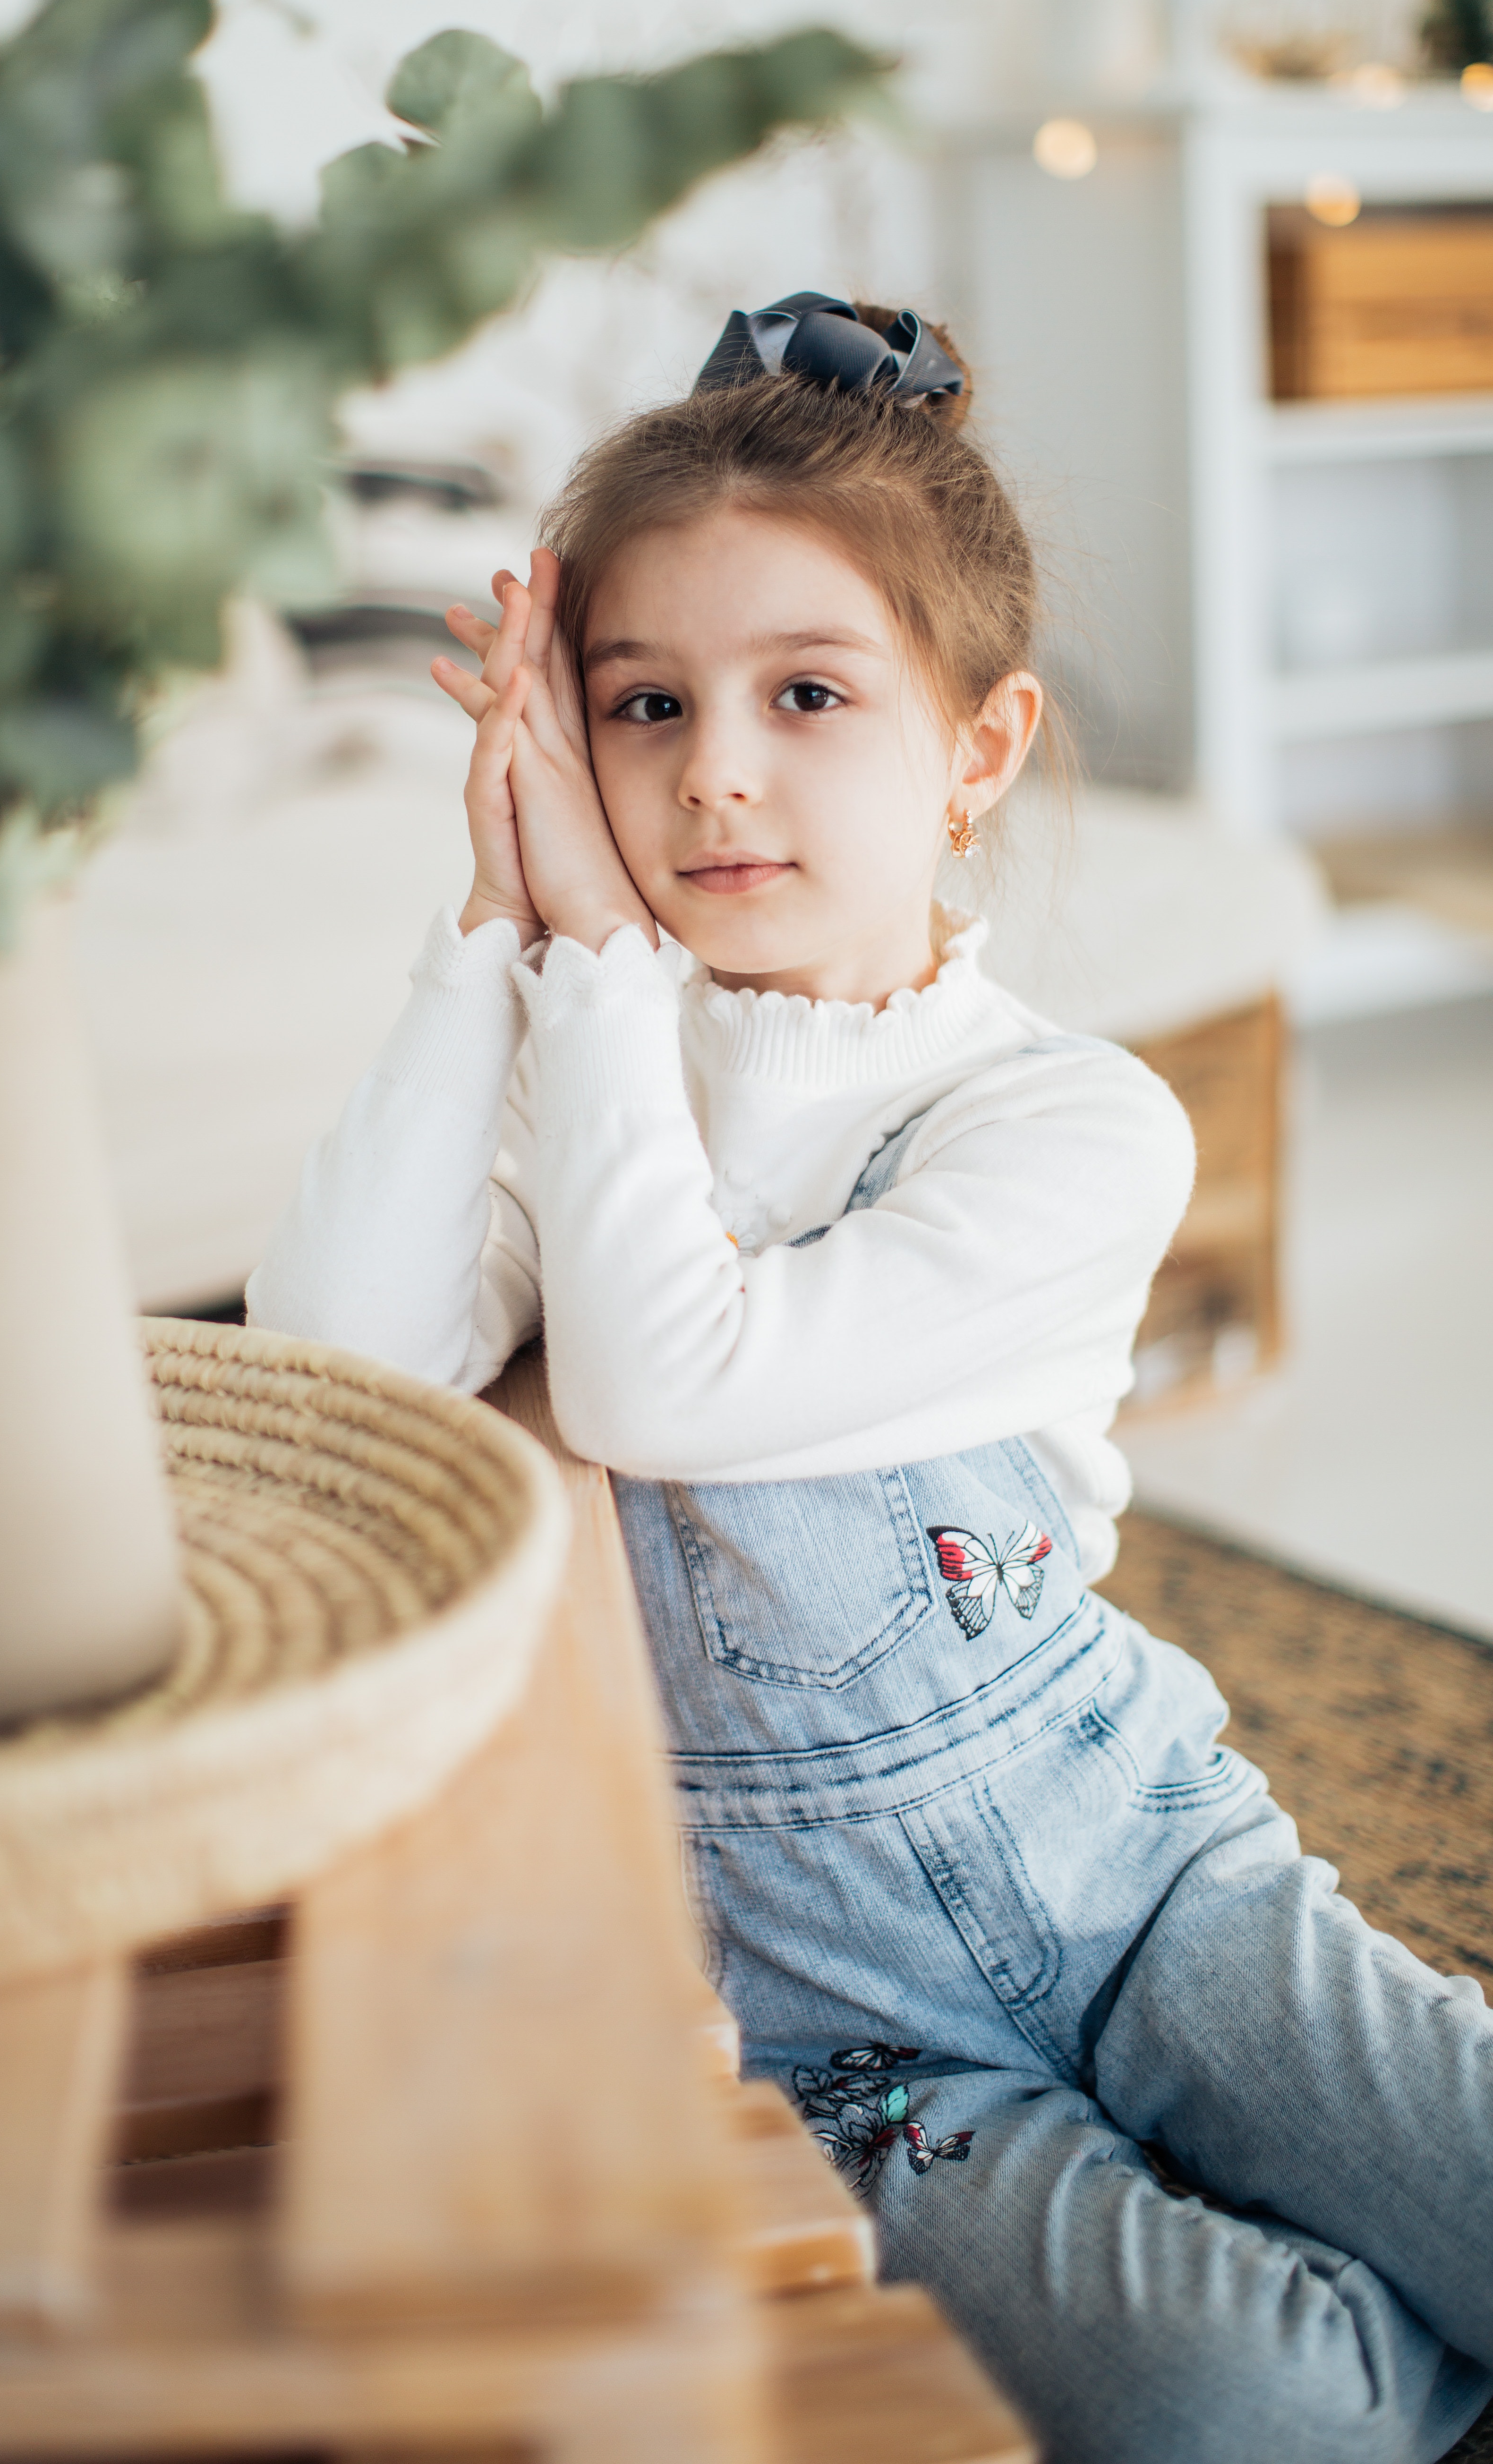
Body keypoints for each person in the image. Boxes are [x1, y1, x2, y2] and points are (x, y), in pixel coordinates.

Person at [247, 292, 1493, 2463]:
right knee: (1243, 2410)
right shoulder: (587, 1091)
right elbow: (349, 1378)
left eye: (805, 693)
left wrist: (601, 979)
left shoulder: (1071, 1122)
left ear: (978, 752)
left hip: (1148, 1875)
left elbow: (650, 1385)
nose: (713, 767)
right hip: (836, 2043)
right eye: (640, 707)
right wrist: (503, 933)